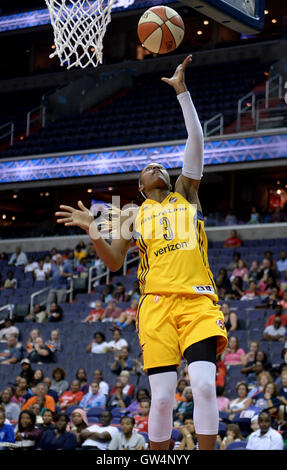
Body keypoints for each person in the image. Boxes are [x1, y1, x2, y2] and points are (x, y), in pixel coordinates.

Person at [55, 54, 228, 450]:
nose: (157, 166)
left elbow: (196, 141)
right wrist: (95, 232)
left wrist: (183, 93)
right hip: (156, 307)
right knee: (163, 398)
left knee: (203, 385)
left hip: (198, 303)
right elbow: (114, 263)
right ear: (140, 185)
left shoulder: (186, 195)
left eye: (161, 165)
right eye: (149, 166)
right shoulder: (133, 213)